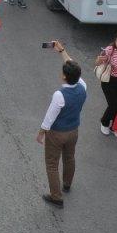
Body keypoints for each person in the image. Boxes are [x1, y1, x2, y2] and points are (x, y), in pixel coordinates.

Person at [36, 42, 86, 208]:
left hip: (57, 134)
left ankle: (56, 197)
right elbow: (74, 67)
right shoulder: (82, 87)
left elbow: (50, 117)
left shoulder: (59, 95)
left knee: (52, 164)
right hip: (73, 130)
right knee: (69, 157)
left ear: (64, 76)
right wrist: (62, 52)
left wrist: (41, 132)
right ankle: (67, 183)